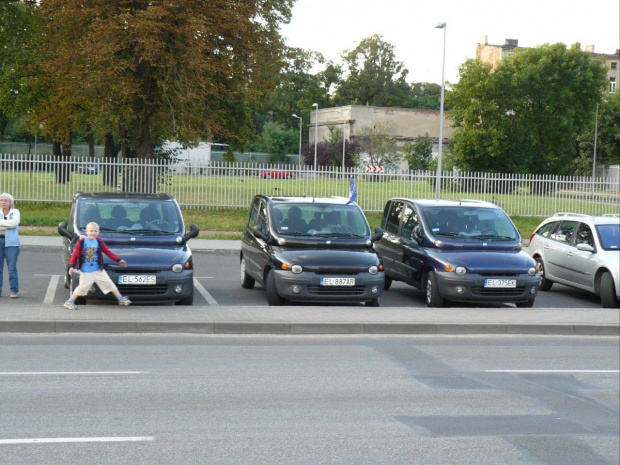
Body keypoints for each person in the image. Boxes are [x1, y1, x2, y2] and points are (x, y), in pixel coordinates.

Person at [64, 222, 131, 310]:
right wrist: (72, 266)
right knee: (82, 287)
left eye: (95, 231)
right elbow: (75, 255)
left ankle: (120, 299)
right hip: (86, 271)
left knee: (109, 283)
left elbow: (107, 251)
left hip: (98, 270)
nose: (93, 233)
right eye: (91, 231)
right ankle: (69, 301)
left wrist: (118, 260)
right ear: (86, 231)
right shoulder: (82, 242)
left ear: (98, 232)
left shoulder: (99, 242)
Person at [0, 193, 21, 298]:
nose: (3, 202)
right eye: (1, 200)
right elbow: (10, 224)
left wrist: (2, 224)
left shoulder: (15, 212)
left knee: (11, 268)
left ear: (10, 202)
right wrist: (7, 224)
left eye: (5, 200)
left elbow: (14, 223)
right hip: (0, 241)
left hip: (12, 243)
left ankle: (14, 290)